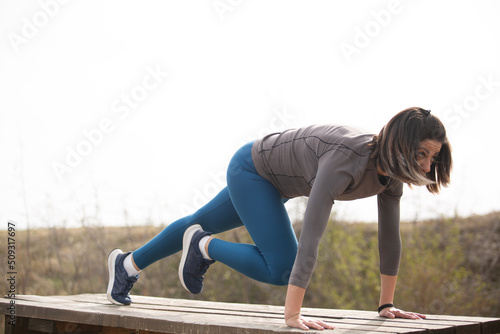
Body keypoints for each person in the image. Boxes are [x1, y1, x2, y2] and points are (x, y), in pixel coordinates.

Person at [106, 107, 452, 330]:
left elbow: (389, 240)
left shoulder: (390, 178)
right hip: (252, 169)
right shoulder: (346, 161)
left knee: (200, 218)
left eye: (432, 158)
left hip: (274, 181)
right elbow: (312, 237)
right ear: (398, 144)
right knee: (282, 268)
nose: (425, 167)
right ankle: (203, 246)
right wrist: (292, 316)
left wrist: (386, 305)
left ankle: (126, 265)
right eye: (421, 154)